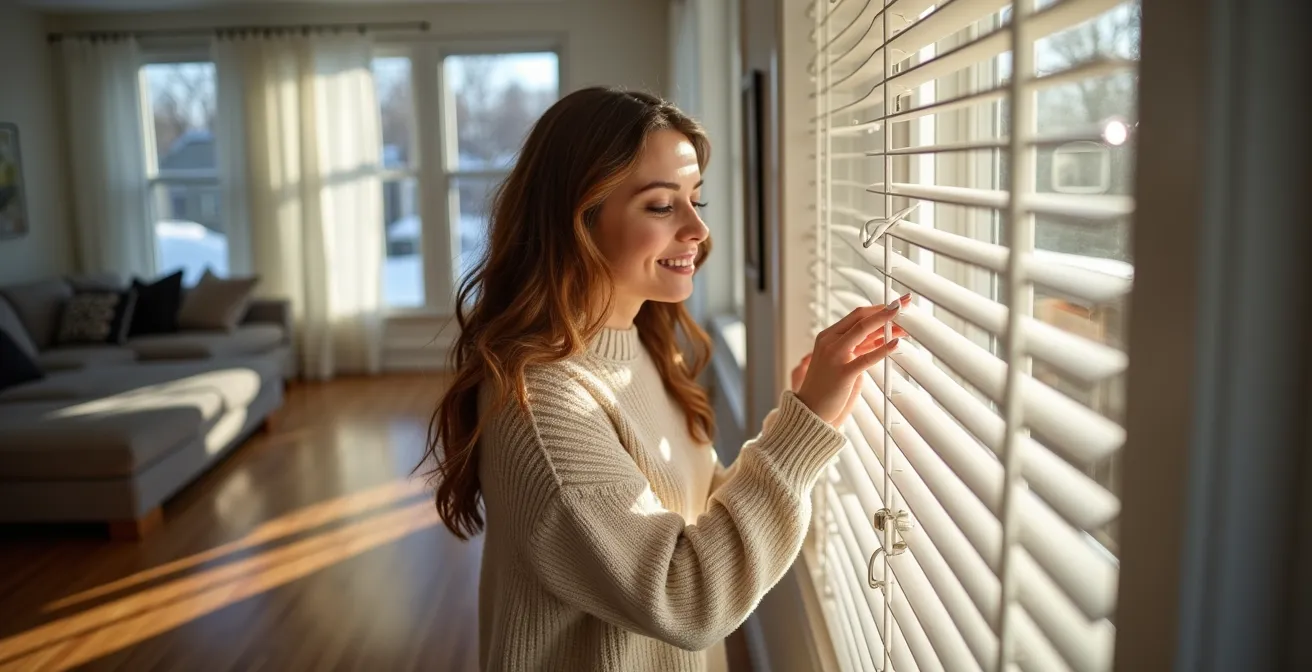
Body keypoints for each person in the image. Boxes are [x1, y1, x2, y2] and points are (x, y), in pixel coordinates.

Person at [419, 86, 908, 672]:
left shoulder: (640, 346)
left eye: (697, 200)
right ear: (578, 219)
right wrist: (796, 437)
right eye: (660, 205)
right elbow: (687, 599)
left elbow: (692, 515)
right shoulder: (542, 405)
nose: (698, 231)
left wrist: (806, 418)